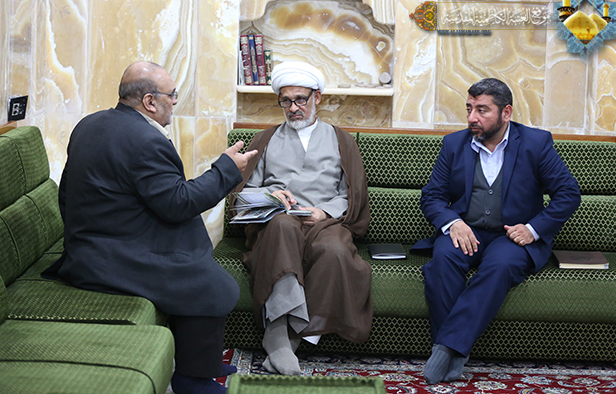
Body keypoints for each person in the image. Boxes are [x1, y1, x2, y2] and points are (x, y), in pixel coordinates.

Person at [43, 61, 257, 394]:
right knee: (217, 286)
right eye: (172, 95)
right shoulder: (145, 139)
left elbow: (67, 194)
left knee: (198, 257)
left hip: (91, 245)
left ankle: (204, 363)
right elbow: (178, 203)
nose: (176, 101)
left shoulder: (90, 123)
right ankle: (192, 379)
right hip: (109, 257)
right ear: (149, 101)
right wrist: (227, 169)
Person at [411, 78, 581, 384]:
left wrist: (533, 229)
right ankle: (453, 354)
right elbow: (432, 196)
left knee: (500, 265)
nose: (472, 117)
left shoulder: (535, 143)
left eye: (482, 110)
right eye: (469, 108)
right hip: (466, 230)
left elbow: (568, 193)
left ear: (506, 113)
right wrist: (453, 223)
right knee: (442, 262)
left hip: (511, 236)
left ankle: (446, 348)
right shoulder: (454, 145)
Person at [231, 61, 372, 375]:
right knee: (283, 226)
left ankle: (286, 341)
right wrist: (272, 196)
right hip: (278, 222)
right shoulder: (265, 139)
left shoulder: (342, 140)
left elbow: (351, 194)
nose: (293, 108)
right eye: (286, 101)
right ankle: (279, 335)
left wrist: (325, 212)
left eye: (300, 100)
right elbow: (244, 194)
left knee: (334, 251)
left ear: (317, 97)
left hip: (325, 223)